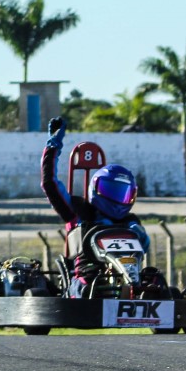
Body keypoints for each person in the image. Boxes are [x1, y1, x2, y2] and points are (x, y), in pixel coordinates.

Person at [39, 116, 155, 297]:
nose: (117, 197)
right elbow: (49, 183)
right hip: (85, 279)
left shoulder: (130, 222)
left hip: (126, 277)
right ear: (96, 188)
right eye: (111, 190)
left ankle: (143, 294)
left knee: (154, 278)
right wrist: (53, 145)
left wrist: (139, 234)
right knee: (88, 287)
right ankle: (105, 294)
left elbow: (144, 247)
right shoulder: (78, 211)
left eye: (122, 193)